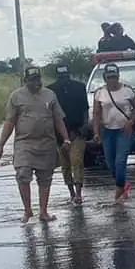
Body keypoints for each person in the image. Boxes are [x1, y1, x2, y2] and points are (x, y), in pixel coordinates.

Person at [0, 67, 70, 223]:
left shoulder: (50, 95)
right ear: (25, 81)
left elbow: (58, 119)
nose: (35, 83)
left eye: (37, 80)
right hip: (24, 143)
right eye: (31, 80)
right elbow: (10, 122)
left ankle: (43, 212)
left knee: (45, 178)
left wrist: (66, 139)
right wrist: (0, 146)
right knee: (22, 174)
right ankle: (27, 211)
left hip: (46, 142)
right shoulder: (16, 96)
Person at [92, 63, 135, 203]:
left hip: (124, 131)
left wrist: (131, 121)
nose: (112, 80)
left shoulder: (127, 91)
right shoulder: (100, 93)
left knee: (120, 161)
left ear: (118, 77)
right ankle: (123, 184)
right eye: (109, 77)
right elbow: (96, 114)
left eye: (114, 77)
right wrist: (96, 133)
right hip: (107, 131)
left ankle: (119, 189)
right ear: (105, 78)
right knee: (110, 162)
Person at [47, 65, 89, 205]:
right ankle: (71, 192)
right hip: (59, 134)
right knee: (65, 165)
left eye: (65, 77)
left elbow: (85, 109)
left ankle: (78, 194)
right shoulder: (50, 91)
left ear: (69, 75)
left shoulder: (79, 87)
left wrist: (84, 127)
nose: (63, 80)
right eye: (61, 77)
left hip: (77, 131)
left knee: (77, 161)